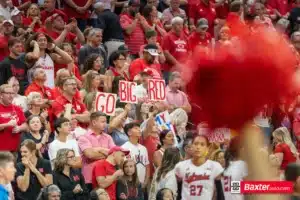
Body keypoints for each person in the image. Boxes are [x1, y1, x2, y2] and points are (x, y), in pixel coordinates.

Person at [174, 135, 224, 200]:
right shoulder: (180, 166)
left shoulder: (215, 166)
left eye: (202, 145)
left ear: (207, 148)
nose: (198, 147)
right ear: (191, 146)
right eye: (195, 144)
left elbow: (220, 193)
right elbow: (178, 193)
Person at [78, 112, 115, 191]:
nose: (105, 124)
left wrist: (100, 149)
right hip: (90, 178)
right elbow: (90, 155)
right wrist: (107, 153)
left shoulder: (108, 137)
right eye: (103, 122)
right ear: (94, 122)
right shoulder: (83, 137)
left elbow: (115, 154)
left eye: (106, 121)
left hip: (106, 177)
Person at [122, 123, 150, 191]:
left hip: (142, 184)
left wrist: (145, 182)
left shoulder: (143, 148)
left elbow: (147, 166)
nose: (139, 130)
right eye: (136, 128)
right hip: (130, 185)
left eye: (139, 128)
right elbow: (124, 168)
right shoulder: (124, 148)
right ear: (129, 132)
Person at [0, 84, 27, 151]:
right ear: (1, 95)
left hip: (15, 150)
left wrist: (19, 128)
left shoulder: (17, 108)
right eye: (8, 93)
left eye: (12, 93)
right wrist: (7, 125)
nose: (11, 96)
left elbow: (25, 125)